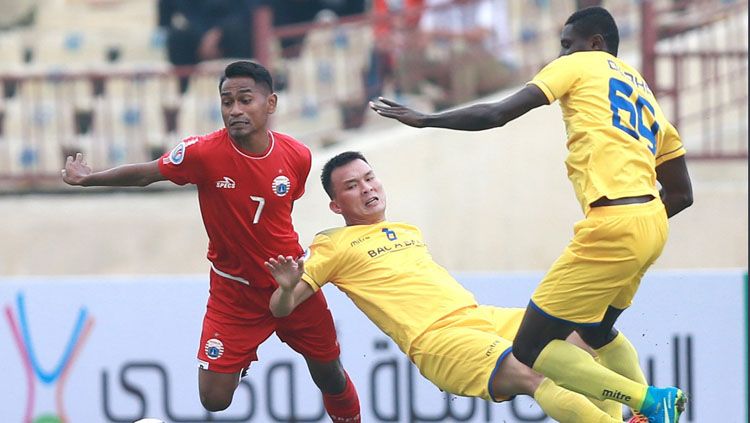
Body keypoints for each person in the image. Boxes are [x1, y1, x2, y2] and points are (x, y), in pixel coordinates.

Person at [370, 6, 693, 423]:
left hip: (613, 223)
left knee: (529, 350)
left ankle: (648, 401)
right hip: (650, 221)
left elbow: (497, 113)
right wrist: (638, 224)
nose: (561, 54)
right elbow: (682, 194)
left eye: (566, 44)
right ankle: (638, 417)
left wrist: (427, 119)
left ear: (594, 43)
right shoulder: (644, 94)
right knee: (595, 332)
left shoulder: (579, 65)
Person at [61, 61, 361, 422]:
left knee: (329, 374)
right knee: (214, 400)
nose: (234, 110)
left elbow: (282, 206)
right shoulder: (202, 153)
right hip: (233, 292)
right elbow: (146, 175)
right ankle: (238, 359)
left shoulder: (297, 155)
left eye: (245, 100)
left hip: (292, 283)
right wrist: (90, 178)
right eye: (226, 101)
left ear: (270, 104)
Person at [265, 151, 654, 423]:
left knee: (583, 337)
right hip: (439, 340)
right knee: (536, 377)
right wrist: (285, 288)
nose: (366, 189)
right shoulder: (332, 244)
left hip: (478, 317)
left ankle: (635, 415)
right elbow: (282, 308)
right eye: (351, 186)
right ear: (336, 205)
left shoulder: (406, 229)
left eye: (369, 178)